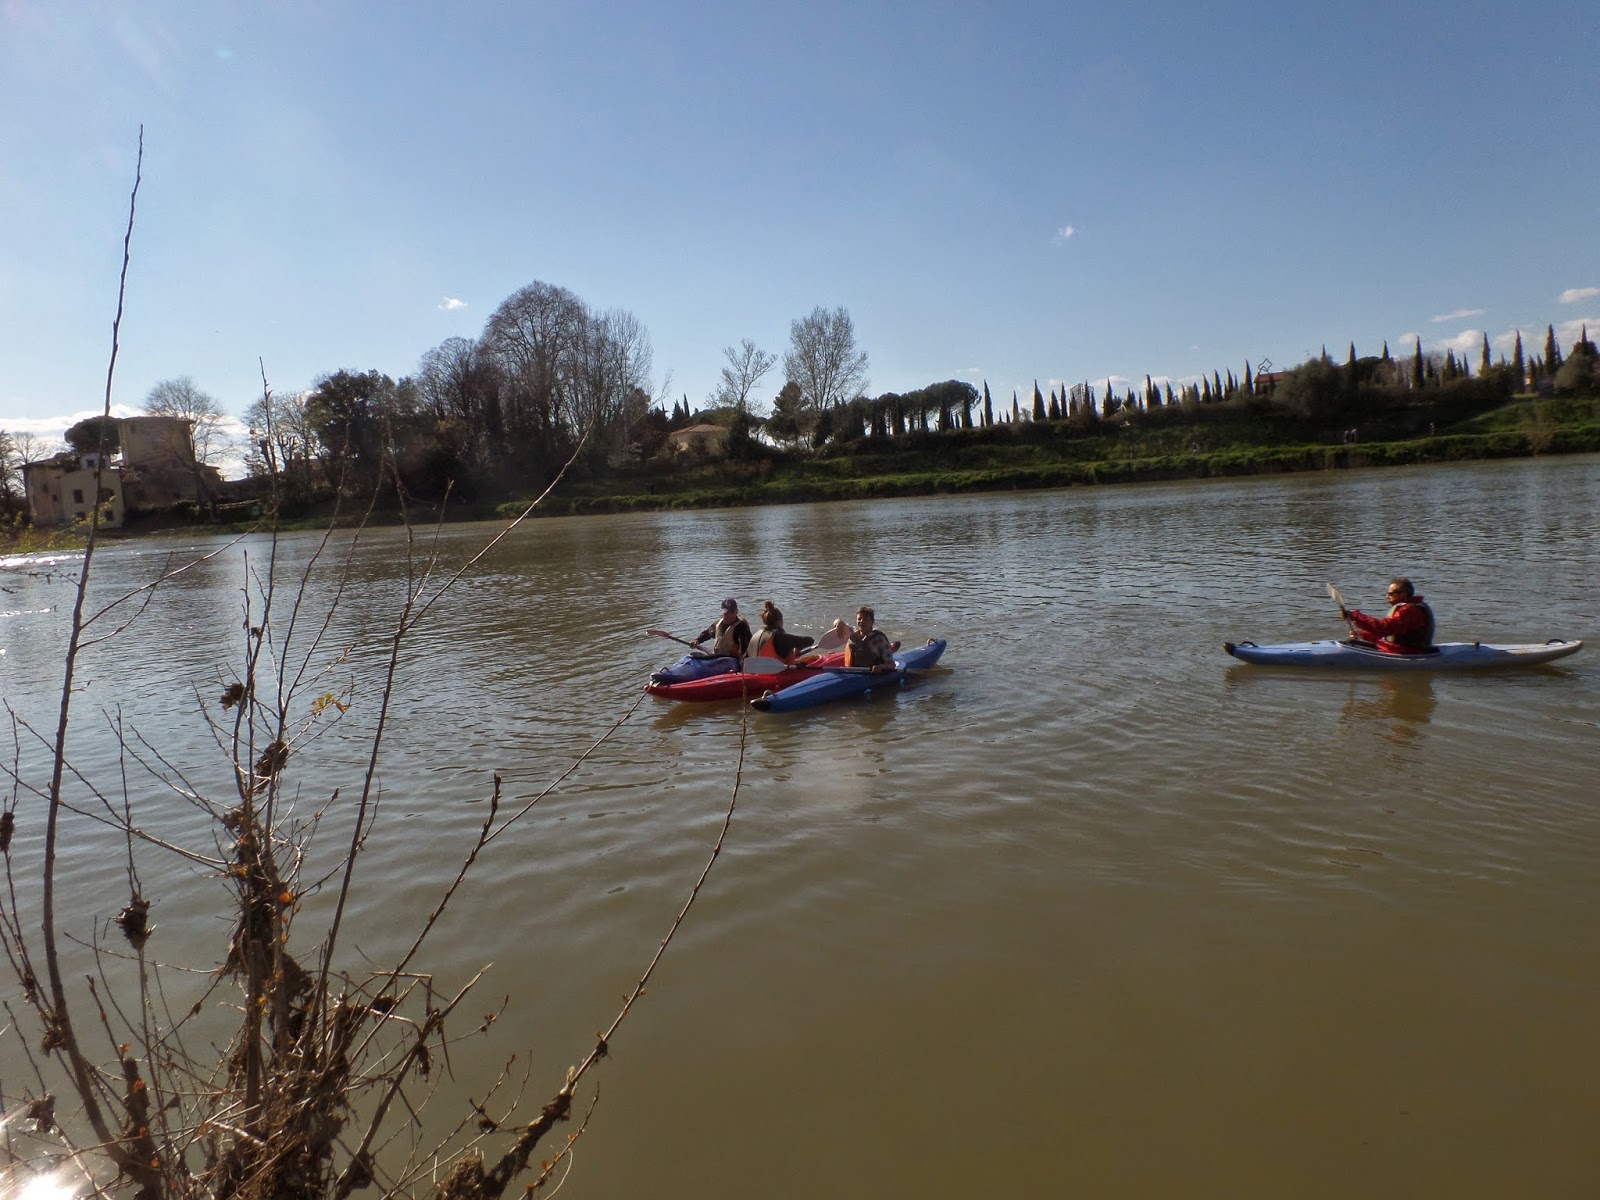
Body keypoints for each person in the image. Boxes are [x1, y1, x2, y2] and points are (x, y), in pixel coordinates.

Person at [1341, 577, 1436, 654]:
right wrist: (1363, 635)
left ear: (1403, 594)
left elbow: (1384, 628)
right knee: (1352, 642)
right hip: (1400, 650)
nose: (1387, 597)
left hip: (1407, 653)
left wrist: (1355, 616)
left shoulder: (1410, 611)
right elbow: (1389, 635)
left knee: (1350, 643)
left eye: (1391, 594)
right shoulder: (1410, 608)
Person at [831, 605, 899, 672]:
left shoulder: (879, 639)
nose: (861, 621)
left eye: (866, 619)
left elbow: (891, 665)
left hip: (871, 675)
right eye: (859, 619)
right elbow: (837, 622)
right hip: (852, 673)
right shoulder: (852, 632)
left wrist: (881, 667)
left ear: (872, 622)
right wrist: (838, 622)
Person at [748, 600, 816, 664]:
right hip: (775, 671)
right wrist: (798, 647)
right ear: (779, 621)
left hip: (752, 671)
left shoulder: (755, 636)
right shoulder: (781, 637)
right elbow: (810, 640)